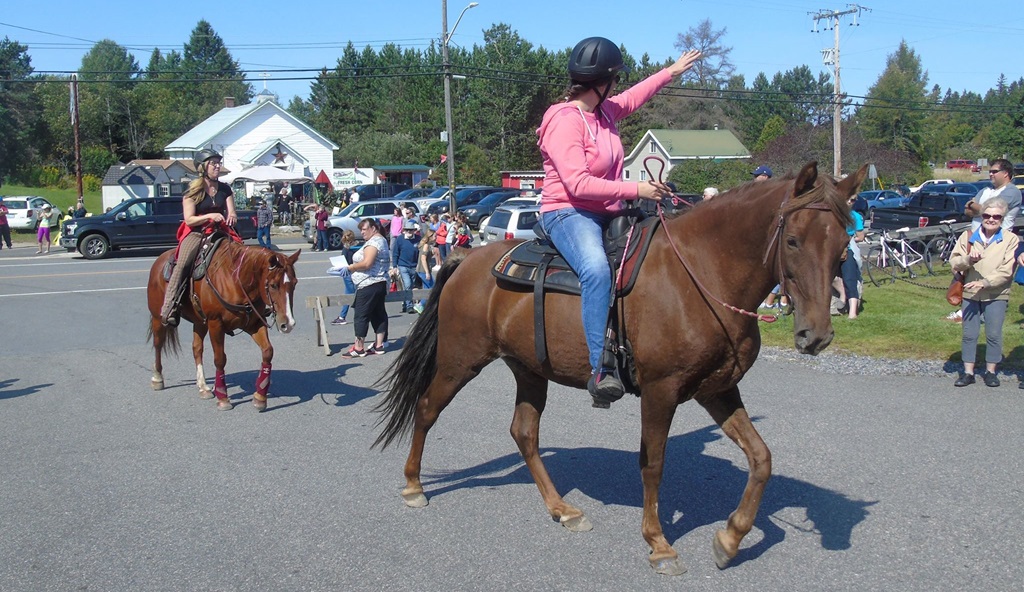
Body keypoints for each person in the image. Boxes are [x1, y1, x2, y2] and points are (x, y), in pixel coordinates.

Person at [537, 36, 701, 408]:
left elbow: (636, 97)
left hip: (607, 208)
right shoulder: (565, 121)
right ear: (604, 81)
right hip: (566, 211)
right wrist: (637, 188)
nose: (619, 87)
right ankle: (600, 368)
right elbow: (577, 182)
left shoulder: (605, 111)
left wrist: (670, 72)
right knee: (596, 269)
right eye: (616, 80)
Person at [160, 149, 238, 326]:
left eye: (218, 162)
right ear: (203, 167)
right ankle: (170, 306)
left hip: (221, 230)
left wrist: (232, 215)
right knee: (183, 263)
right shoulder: (193, 190)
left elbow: (231, 210)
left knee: (243, 256)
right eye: (213, 163)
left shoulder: (225, 189)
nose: (217, 166)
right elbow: (189, 219)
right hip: (197, 231)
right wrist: (209, 217)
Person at [949, 198, 1017, 387]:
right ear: (982, 216)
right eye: (987, 215)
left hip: (996, 294)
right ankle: (968, 372)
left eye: (996, 216)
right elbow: (954, 262)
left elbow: (1007, 270)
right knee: (969, 334)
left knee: (993, 334)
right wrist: (969, 260)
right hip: (970, 294)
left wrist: (986, 282)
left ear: (1002, 219)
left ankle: (990, 372)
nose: (991, 219)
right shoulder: (968, 236)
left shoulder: (1010, 239)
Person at [342, 218, 390, 357]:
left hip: (369, 283)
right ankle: (379, 345)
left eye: (364, 229)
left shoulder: (374, 242)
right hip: (380, 283)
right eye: (361, 229)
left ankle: (359, 347)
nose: (362, 232)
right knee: (378, 313)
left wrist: (350, 268)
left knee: (361, 315)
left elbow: (367, 263)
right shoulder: (381, 240)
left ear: (374, 228)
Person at [965, 158, 1022, 232]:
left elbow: (992, 211)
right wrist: (979, 209)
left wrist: (971, 204)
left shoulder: (1012, 191)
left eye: (994, 172)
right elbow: (967, 212)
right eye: (990, 172)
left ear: (1006, 173)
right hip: (976, 237)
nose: (991, 174)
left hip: (999, 239)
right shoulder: (985, 190)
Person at [839, 194, 866, 319]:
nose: (850, 201)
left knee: (850, 278)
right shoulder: (834, 214)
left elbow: (861, 236)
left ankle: (852, 312)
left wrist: (850, 239)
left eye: (853, 200)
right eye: (848, 198)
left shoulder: (855, 216)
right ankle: (842, 293)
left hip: (847, 249)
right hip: (832, 250)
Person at [391, 219, 421, 314]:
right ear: (404, 230)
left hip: (414, 266)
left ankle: (404, 303)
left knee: (411, 286)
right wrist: (394, 266)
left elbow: (420, 252)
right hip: (403, 265)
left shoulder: (418, 239)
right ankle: (409, 306)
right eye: (407, 230)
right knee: (407, 285)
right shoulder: (400, 239)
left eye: (411, 230)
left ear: (414, 230)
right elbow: (396, 252)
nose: (409, 231)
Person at [331, 230, 359, 326]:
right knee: (349, 293)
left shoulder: (346, 249)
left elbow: (343, 262)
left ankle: (356, 316)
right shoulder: (358, 247)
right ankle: (342, 316)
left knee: (351, 295)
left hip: (348, 273)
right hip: (356, 272)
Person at [415, 227, 437, 314]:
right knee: (432, 288)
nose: (436, 237)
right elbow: (423, 259)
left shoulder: (426, 245)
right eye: (435, 236)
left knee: (426, 288)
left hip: (422, 270)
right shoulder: (426, 246)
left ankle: (424, 307)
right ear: (430, 236)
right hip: (423, 271)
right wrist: (427, 272)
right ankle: (420, 305)